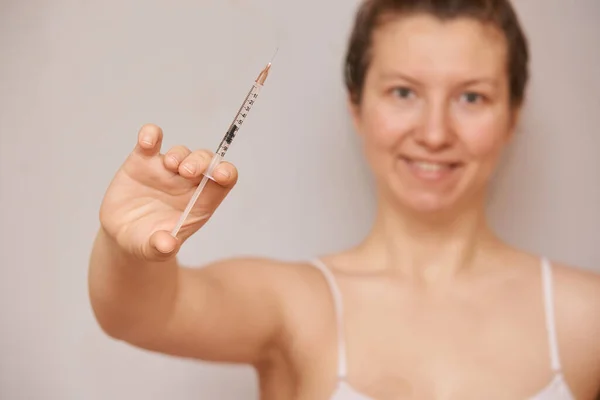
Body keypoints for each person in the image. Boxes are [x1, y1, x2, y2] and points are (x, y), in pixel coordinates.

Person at [88, 0, 600, 398]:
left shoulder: (586, 317)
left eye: (472, 97)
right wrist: (126, 244)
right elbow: (138, 314)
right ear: (357, 107)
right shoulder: (297, 306)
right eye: (403, 92)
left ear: (513, 114)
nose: (436, 132)